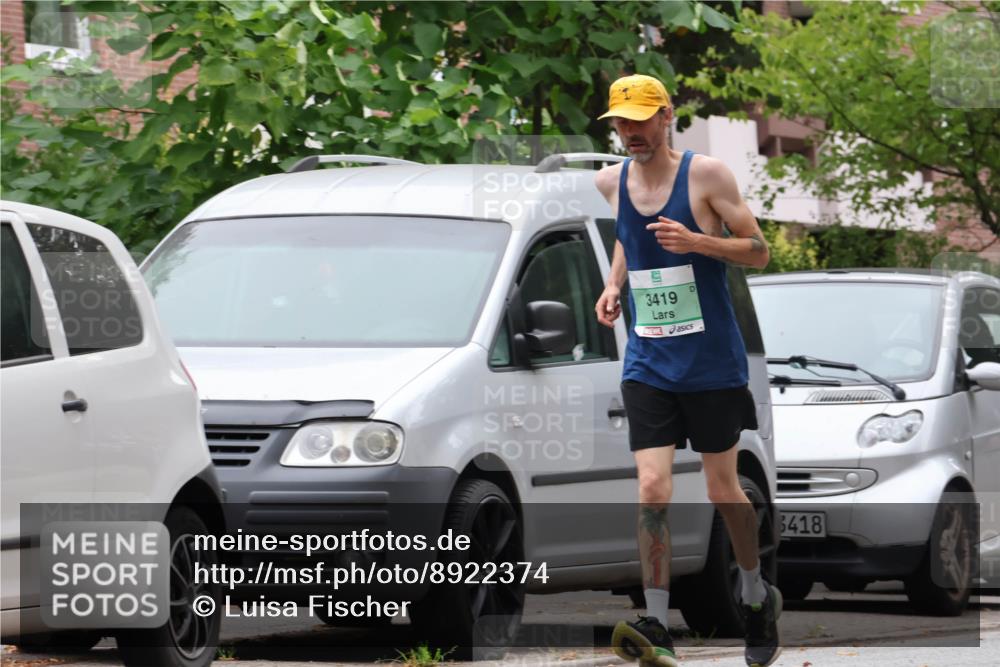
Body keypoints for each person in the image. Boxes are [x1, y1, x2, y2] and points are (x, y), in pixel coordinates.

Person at [592, 74, 781, 667]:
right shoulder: (608, 181)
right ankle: (656, 618)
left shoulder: (707, 176)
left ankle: (753, 590)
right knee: (652, 486)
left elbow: (758, 249)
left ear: (666, 116)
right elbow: (630, 236)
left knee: (725, 490)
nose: (629, 133)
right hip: (648, 360)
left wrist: (700, 243)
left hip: (711, 363)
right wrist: (614, 283)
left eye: (640, 120)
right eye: (620, 123)